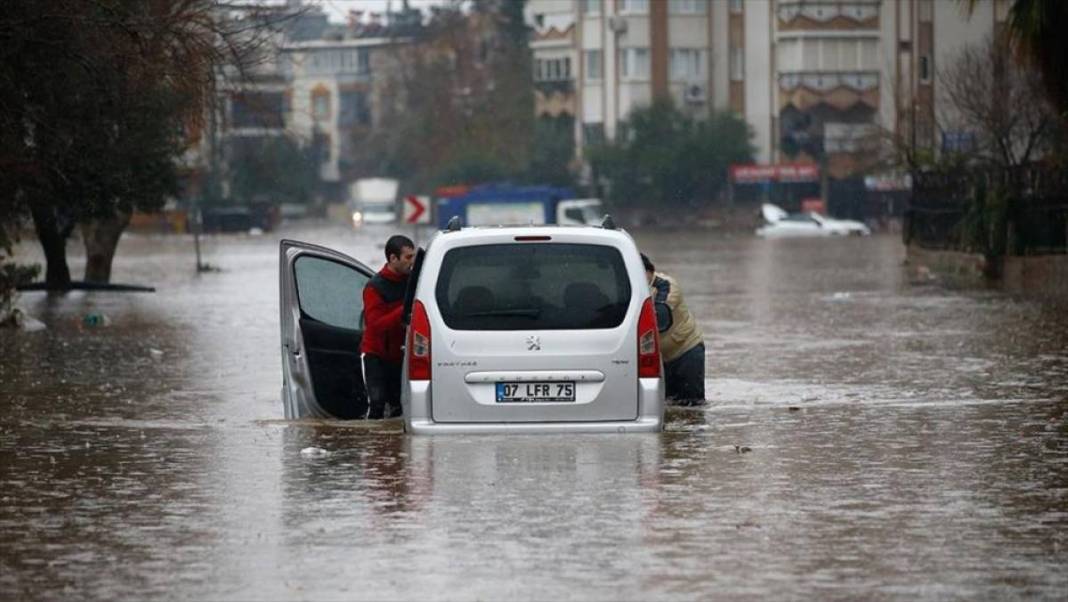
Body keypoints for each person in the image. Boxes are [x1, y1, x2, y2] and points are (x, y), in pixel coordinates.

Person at [362, 235, 416, 419]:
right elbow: (376, 325)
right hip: (376, 356)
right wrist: (405, 308)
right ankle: (375, 445)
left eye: (414, 256)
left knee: (400, 407)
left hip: (402, 355)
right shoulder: (375, 288)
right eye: (408, 257)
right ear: (393, 259)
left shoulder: (413, 282)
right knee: (377, 404)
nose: (412, 262)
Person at [641, 253, 706, 406]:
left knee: (691, 406)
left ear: (650, 271)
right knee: (668, 406)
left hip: (686, 351)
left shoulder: (666, 285)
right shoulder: (628, 289)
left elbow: (660, 316)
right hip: (661, 358)